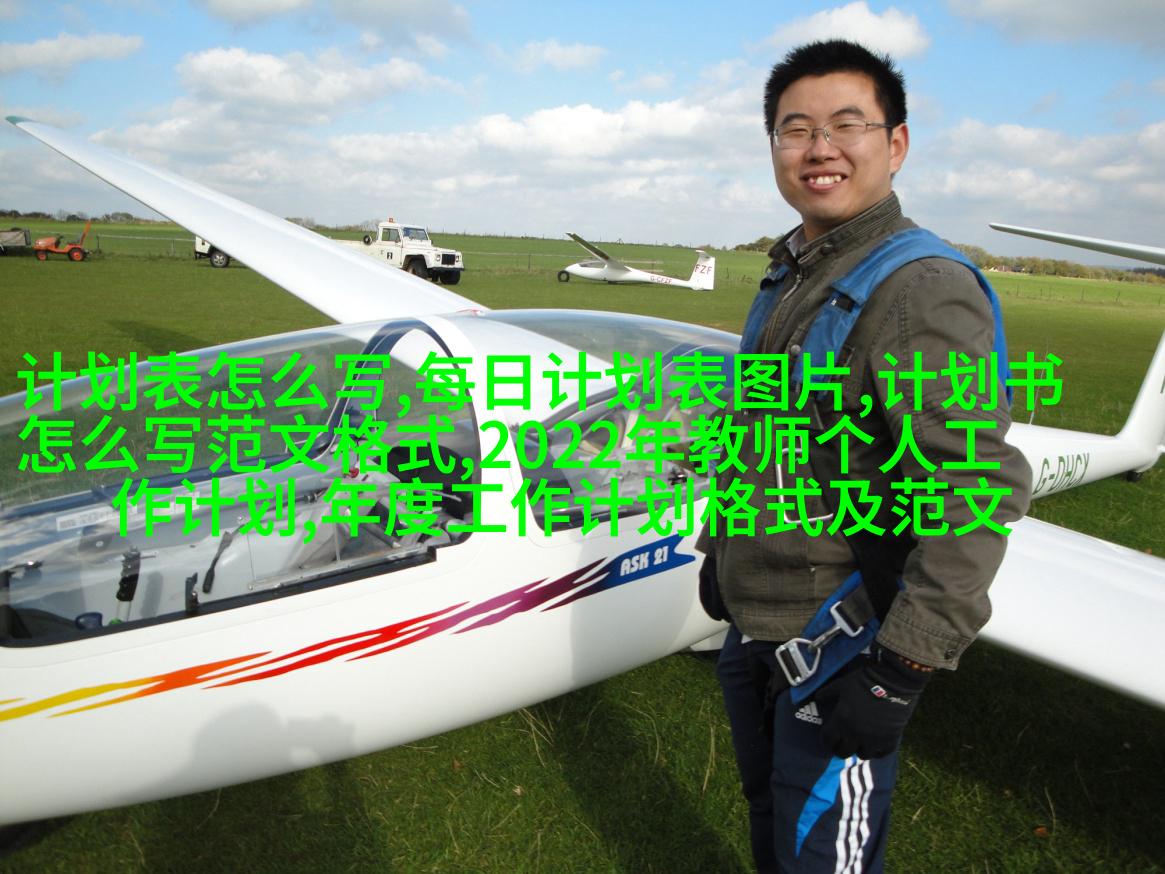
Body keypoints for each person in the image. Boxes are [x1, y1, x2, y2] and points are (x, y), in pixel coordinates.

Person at [698, 39, 1032, 873]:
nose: (819, 148)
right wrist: (717, 548)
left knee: (820, 854)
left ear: (896, 143)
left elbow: (976, 485)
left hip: (837, 641)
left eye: (846, 124)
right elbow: (763, 431)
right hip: (757, 622)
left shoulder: (917, 286)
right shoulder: (793, 269)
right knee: (772, 827)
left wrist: (902, 664)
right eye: (794, 129)